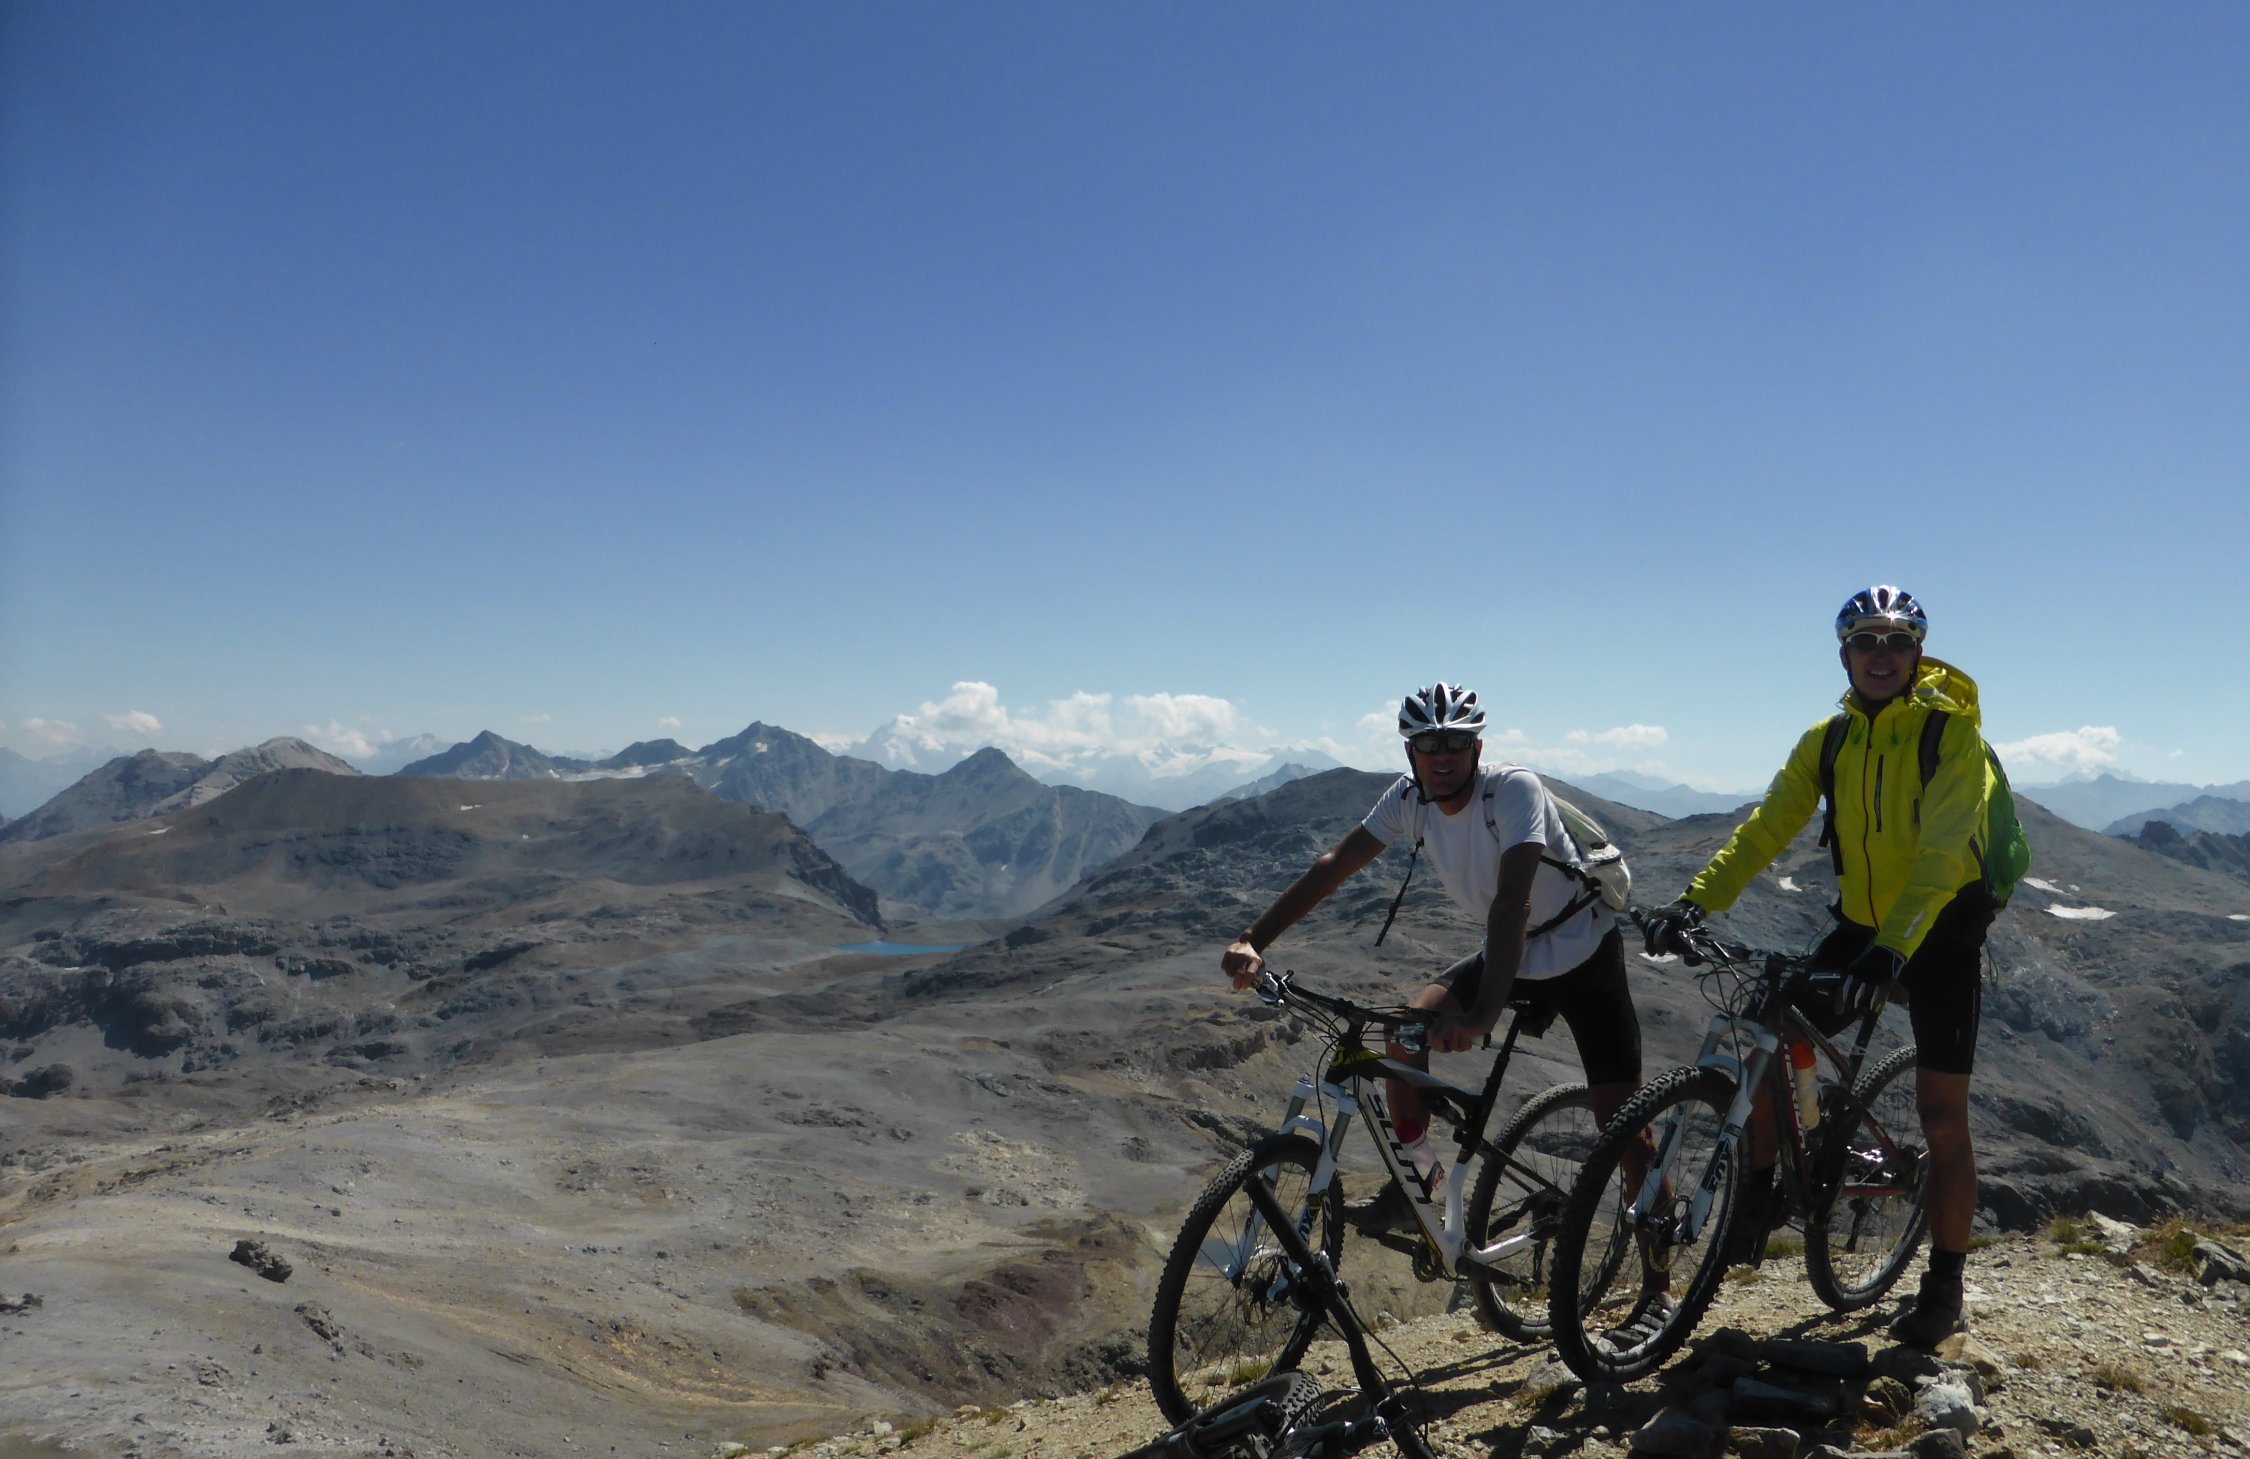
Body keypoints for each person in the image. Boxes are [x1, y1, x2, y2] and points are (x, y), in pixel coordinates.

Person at [1642, 585, 1995, 1348]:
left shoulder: (1951, 737)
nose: (1880, 653)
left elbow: (1942, 856)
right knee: (1771, 1024)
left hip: (1942, 931)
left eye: (1896, 641)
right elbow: (1767, 826)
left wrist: (1895, 948)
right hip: (1864, 926)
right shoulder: (1828, 740)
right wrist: (1695, 902)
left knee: (1941, 1116)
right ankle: (1762, 1188)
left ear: (1918, 655)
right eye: (1866, 640)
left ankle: (1944, 1284)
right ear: (1844, 655)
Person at [1220, 682, 1647, 1237]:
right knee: (1404, 1032)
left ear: (1477, 748)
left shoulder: (1512, 790)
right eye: (1427, 744)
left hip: (1582, 953)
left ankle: (1658, 1272)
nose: (1441, 757)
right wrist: (1254, 939)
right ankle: (1418, 1184)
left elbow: (1512, 903)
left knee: (1626, 1131)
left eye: (1456, 743)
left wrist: (1481, 1017)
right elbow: (1334, 866)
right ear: (1410, 752)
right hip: (1511, 953)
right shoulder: (1407, 798)